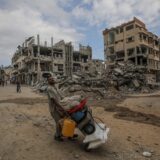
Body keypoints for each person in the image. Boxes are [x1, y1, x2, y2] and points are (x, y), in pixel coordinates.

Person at [47, 77, 80, 141]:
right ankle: (57, 136)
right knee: (59, 122)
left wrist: (66, 100)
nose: (52, 80)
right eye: (50, 79)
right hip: (54, 108)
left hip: (60, 105)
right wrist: (61, 108)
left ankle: (69, 134)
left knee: (67, 120)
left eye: (52, 79)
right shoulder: (49, 88)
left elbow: (60, 96)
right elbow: (54, 100)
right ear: (48, 81)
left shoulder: (55, 87)